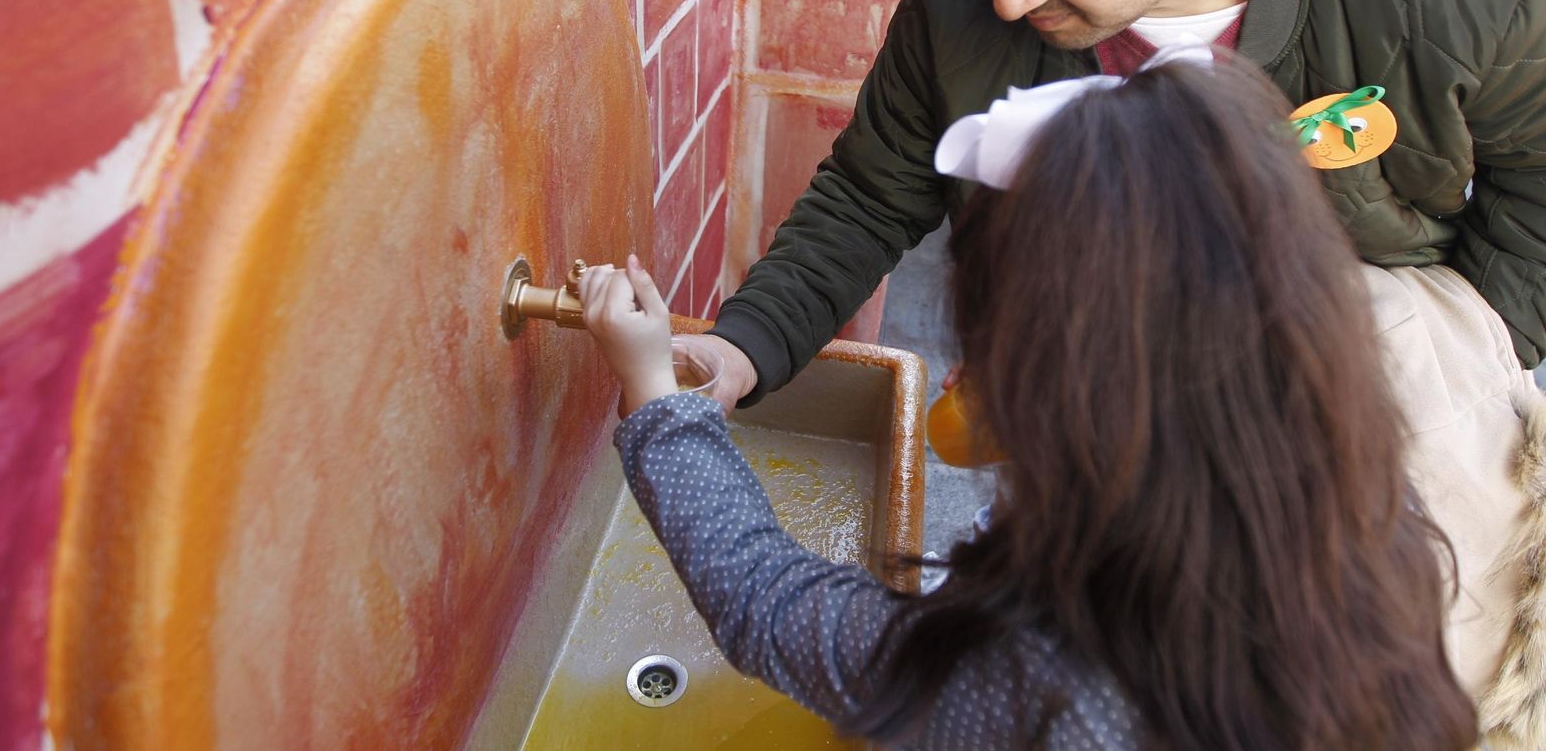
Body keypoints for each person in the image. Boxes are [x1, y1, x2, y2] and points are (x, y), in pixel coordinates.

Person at [581, 58, 1479, 750]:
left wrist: (653, 391)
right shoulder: (1370, 530)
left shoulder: (1042, 681)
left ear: (1067, 376)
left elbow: (769, 606)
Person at [688, 0, 1546, 413]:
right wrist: (743, 349)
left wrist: (1444, 394)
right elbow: (872, 198)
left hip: (1384, 405)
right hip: (1096, 427)